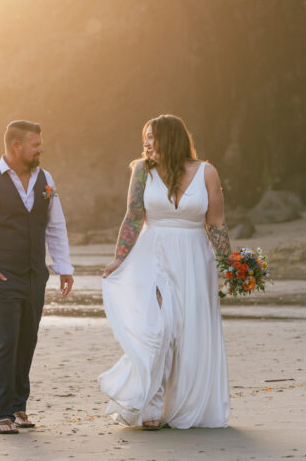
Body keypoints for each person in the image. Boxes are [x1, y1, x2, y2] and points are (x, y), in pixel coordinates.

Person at [99, 114, 231, 429]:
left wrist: (230, 263)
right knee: (159, 328)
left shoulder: (207, 172)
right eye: (144, 137)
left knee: (188, 331)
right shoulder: (142, 172)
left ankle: (181, 404)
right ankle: (152, 407)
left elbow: (216, 222)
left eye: (151, 137)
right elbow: (133, 216)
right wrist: (120, 257)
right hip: (153, 256)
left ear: (170, 139)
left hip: (195, 259)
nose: (145, 143)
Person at [0, 120, 75, 435]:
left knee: (28, 339)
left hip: (37, 274)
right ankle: (2, 414)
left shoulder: (45, 179)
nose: (40, 149)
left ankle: (19, 407)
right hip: (3, 277)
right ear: (16, 147)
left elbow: (55, 225)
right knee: (7, 341)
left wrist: (63, 267)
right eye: (35, 144)